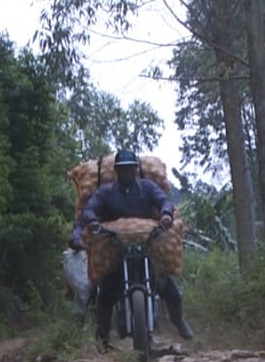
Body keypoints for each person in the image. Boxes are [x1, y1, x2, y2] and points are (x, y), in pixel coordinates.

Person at [81, 149, 194, 347]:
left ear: (136, 169)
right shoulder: (106, 192)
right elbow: (90, 207)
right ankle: (102, 337)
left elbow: (164, 201)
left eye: (130, 168)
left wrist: (166, 214)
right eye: (123, 169)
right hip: (116, 248)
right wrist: (92, 221)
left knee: (170, 289)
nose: (127, 173)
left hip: (147, 246)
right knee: (105, 293)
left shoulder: (147, 187)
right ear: (116, 171)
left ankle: (178, 321)